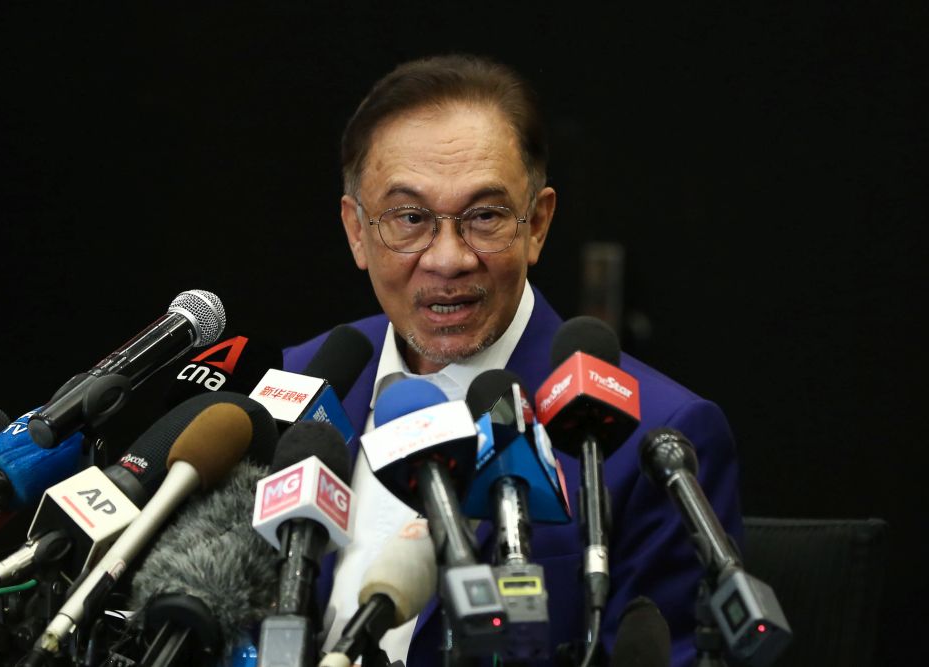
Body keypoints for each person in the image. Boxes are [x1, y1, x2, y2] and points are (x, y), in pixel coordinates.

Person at [283, 53, 742, 666]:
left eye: (485, 217)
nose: (448, 259)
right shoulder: (307, 380)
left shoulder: (654, 435)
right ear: (357, 232)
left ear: (538, 225)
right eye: (410, 218)